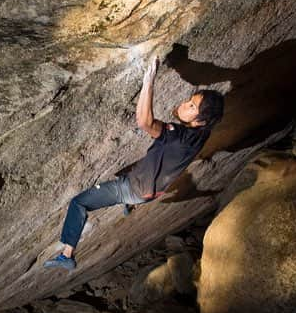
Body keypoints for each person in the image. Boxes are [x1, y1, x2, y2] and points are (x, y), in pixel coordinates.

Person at [44, 56, 224, 271]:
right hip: (151, 191)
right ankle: (130, 204)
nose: (184, 105)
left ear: (200, 120)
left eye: (192, 106)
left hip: (132, 188)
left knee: (79, 203)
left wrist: (148, 80)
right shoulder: (202, 134)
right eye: (189, 100)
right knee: (130, 170)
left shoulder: (179, 137)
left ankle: (67, 255)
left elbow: (144, 122)